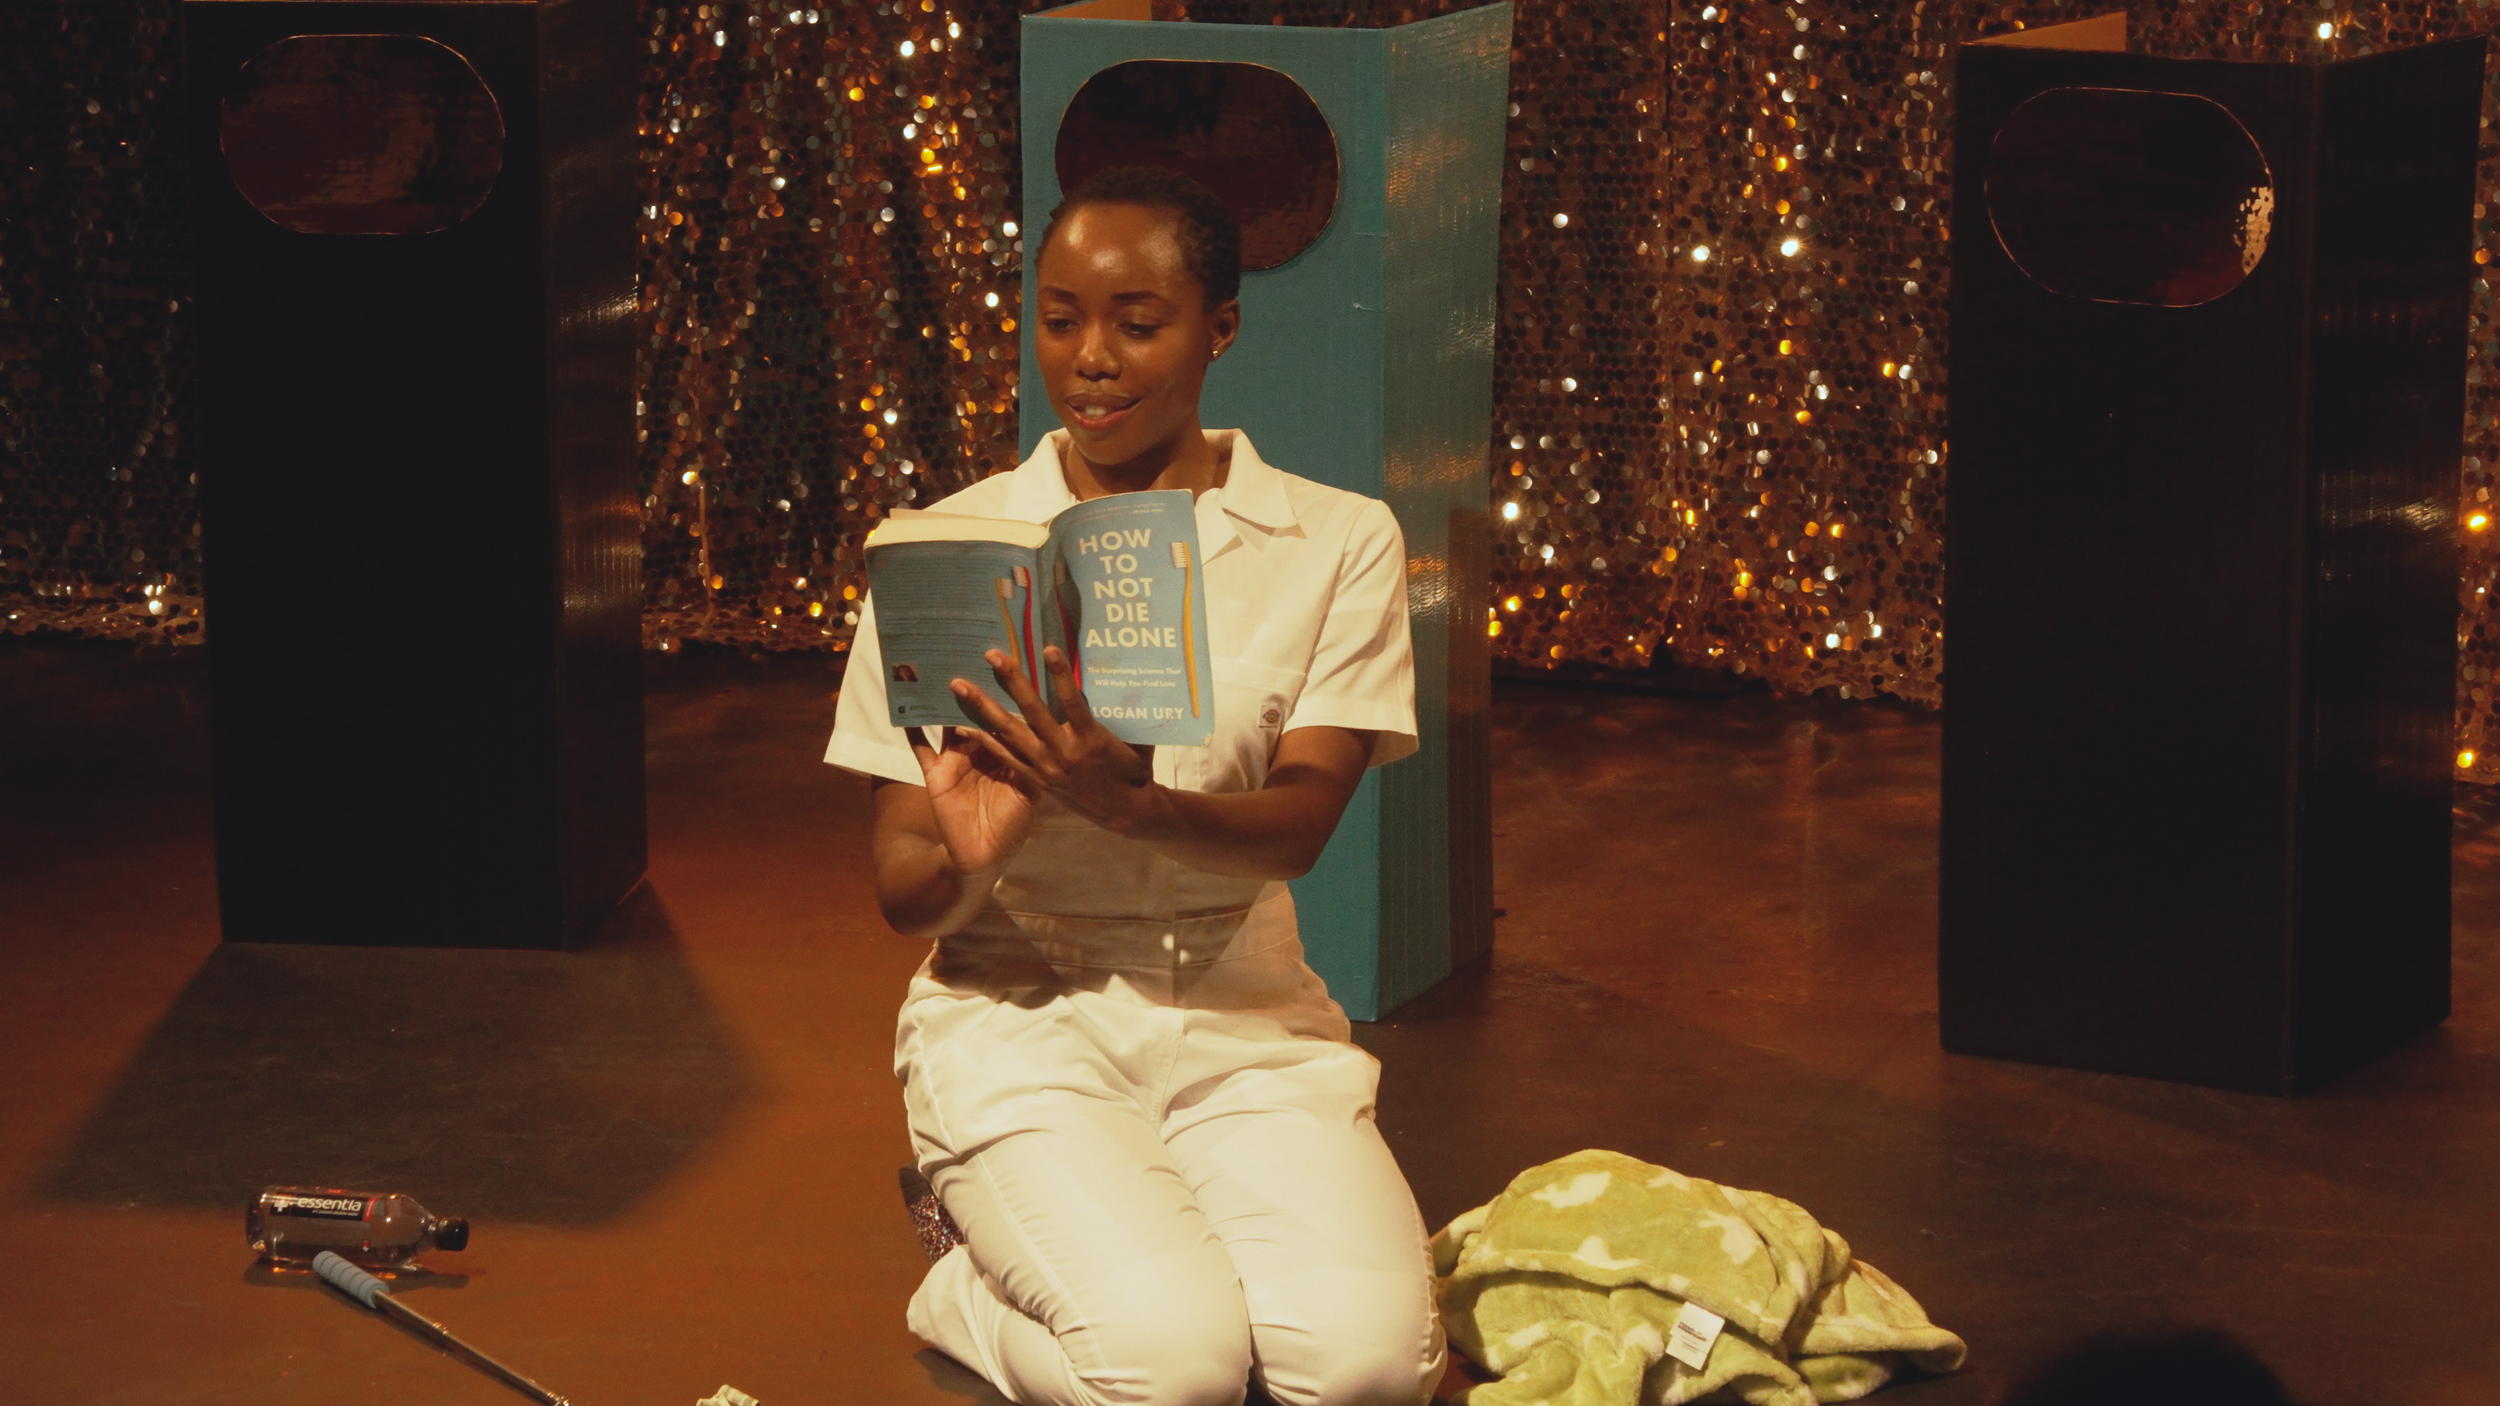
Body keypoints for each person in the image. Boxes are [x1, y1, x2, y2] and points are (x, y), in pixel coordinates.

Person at [823, 165, 1445, 1406]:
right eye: (1059, 319)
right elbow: (905, 889)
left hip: (1244, 1015)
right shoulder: (953, 547)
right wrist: (978, 851)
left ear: (1220, 327)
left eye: (1137, 322)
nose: (1091, 358)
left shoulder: (1335, 539)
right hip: (1020, 1016)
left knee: (1370, 1370)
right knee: (1171, 1374)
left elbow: (1300, 826)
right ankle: (957, 1284)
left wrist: (1130, 803)